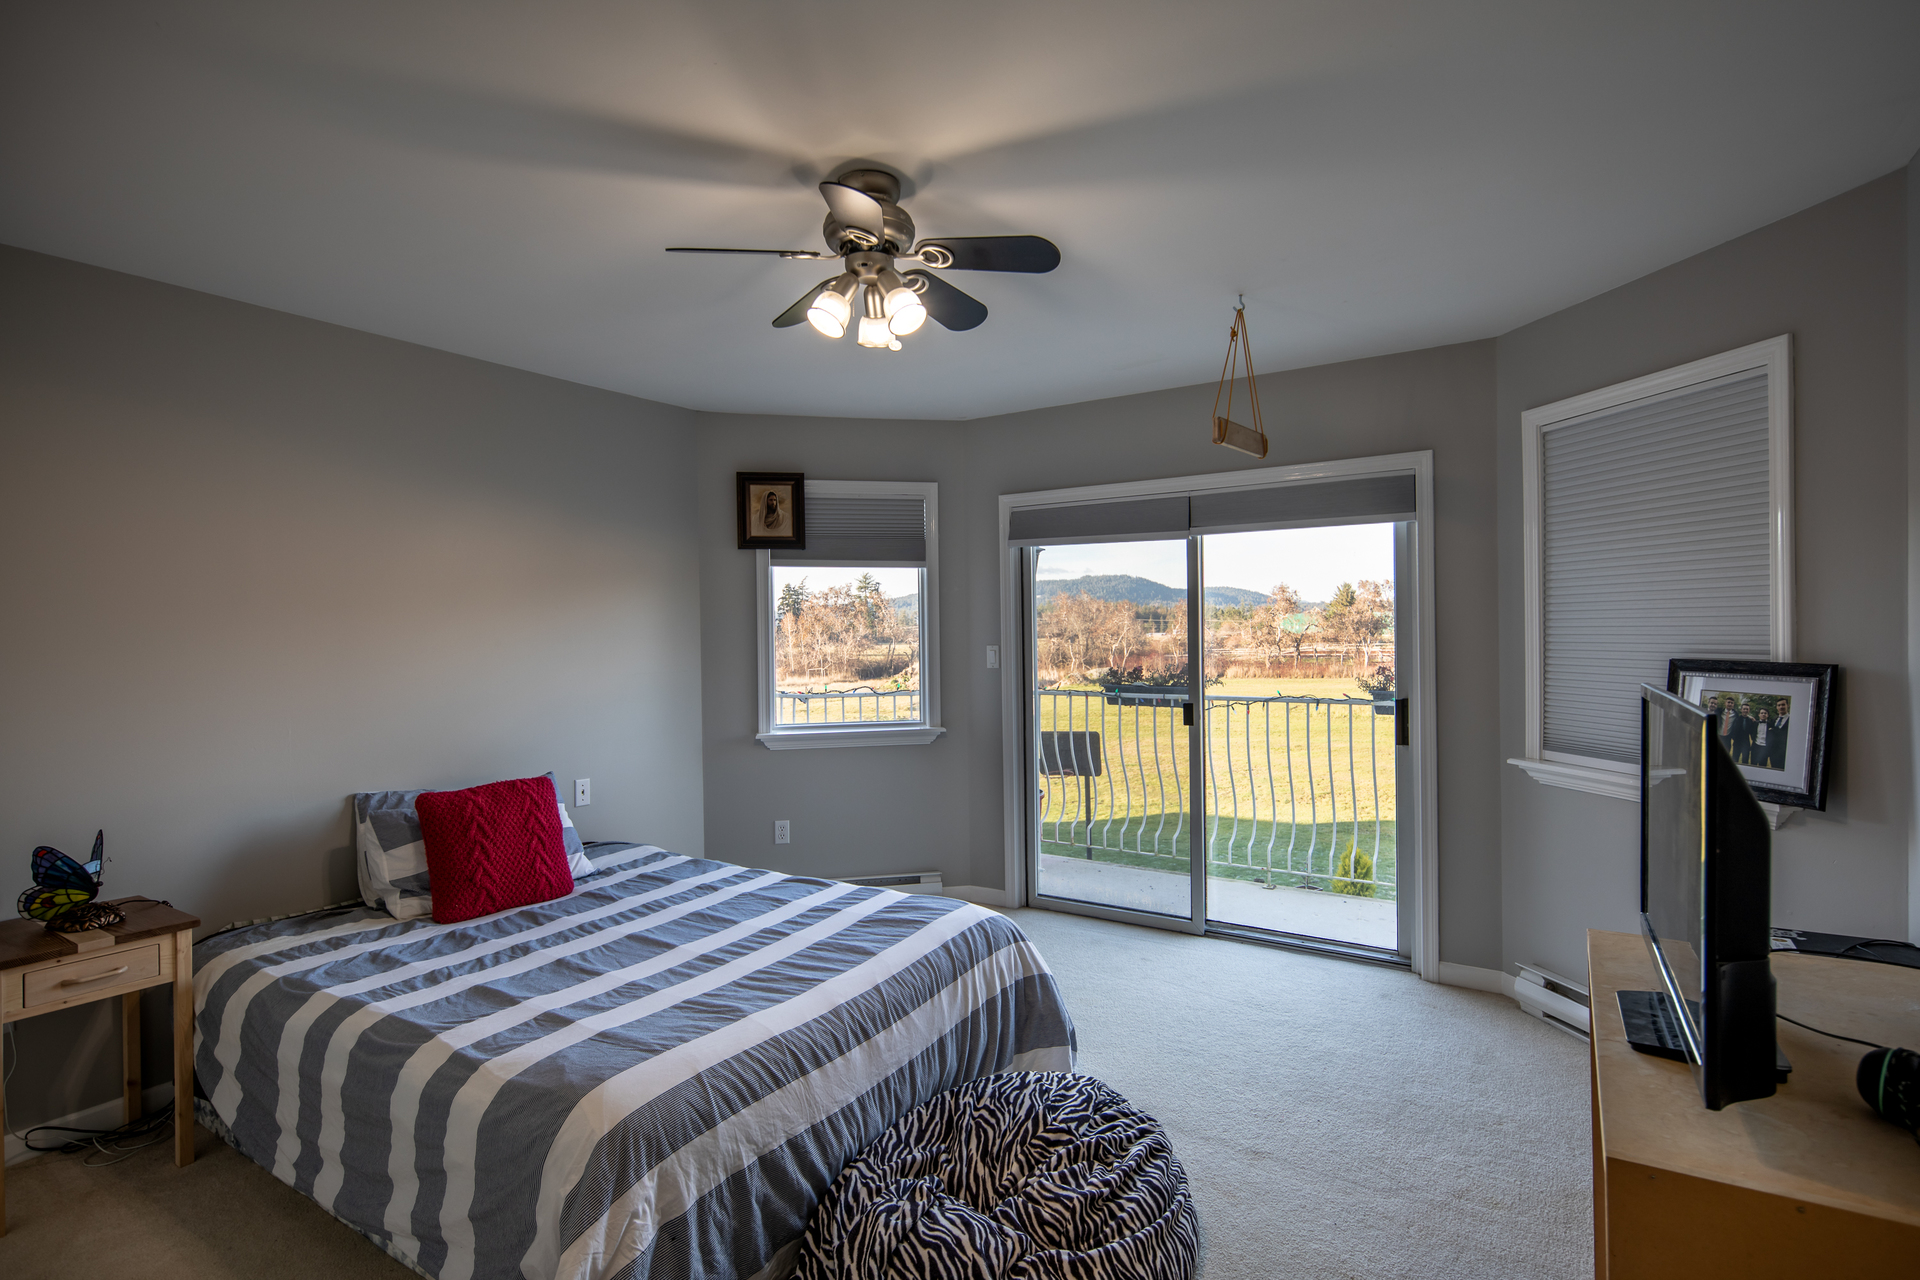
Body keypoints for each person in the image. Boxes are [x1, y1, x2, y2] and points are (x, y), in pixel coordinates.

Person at [1728, 699, 1756, 765]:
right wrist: (1733, 738)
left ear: (1749, 710)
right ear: (1741, 710)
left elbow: (1752, 732)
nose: (1745, 710)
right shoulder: (1736, 719)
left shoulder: (1751, 721)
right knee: (1734, 760)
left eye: (1747, 709)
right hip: (1737, 743)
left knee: (1745, 760)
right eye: (1744, 709)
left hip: (1746, 743)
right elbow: (1732, 729)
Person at [1767, 700, 1792, 770]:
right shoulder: (1774, 720)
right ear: (1777, 707)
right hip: (1773, 754)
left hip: (1786, 753)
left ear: (1788, 705)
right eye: (1779, 705)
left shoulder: (1792, 719)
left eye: (1783, 705)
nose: (1781, 707)